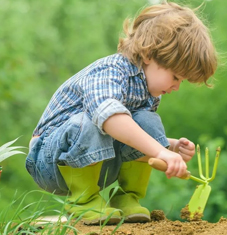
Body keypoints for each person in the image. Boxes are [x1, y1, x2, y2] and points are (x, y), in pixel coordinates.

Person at [25, 1, 217, 225]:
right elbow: (110, 120)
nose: (176, 86)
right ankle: (83, 201)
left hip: (99, 163)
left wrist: (169, 145)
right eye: (175, 77)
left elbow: (130, 135)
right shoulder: (110, 71)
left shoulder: (150, 92)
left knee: (147, 120)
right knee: (92, 121)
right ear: (149, 55)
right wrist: (160, 151)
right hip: (50, 162)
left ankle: (127, 199)